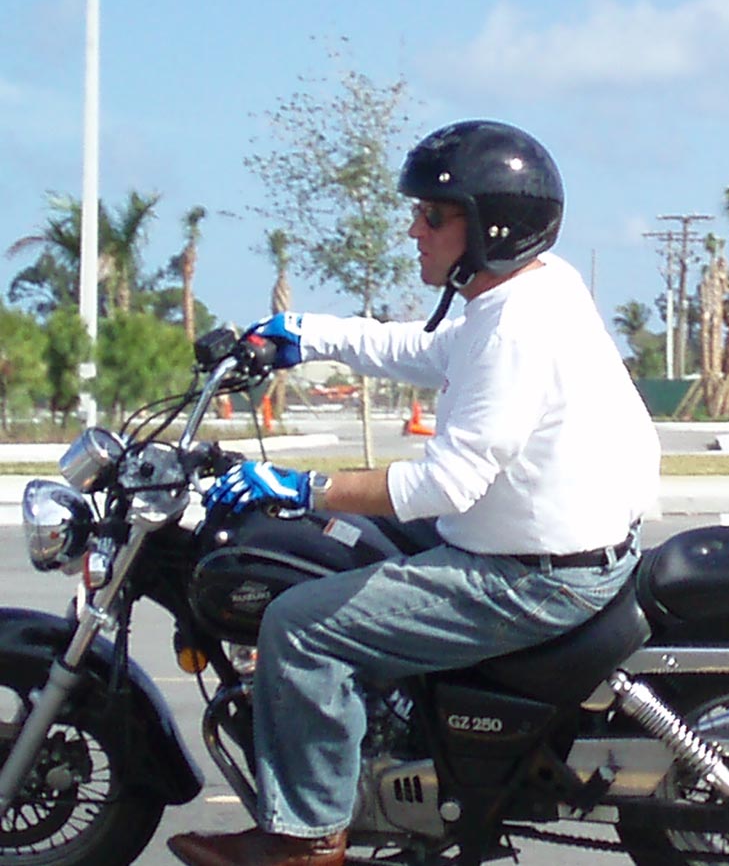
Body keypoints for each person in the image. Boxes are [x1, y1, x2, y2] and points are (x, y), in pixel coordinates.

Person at [167, 120, 661, 866]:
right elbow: (430, 352)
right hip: (539, 544)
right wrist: (308, 334)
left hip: (529, 577)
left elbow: (445, 482)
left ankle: (306, 839)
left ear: (492, 226)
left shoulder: (516, 328)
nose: (413, 230)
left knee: (299, 625)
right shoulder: (531, 290)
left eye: (433, 214)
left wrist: (303, 488)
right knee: (347, 558)